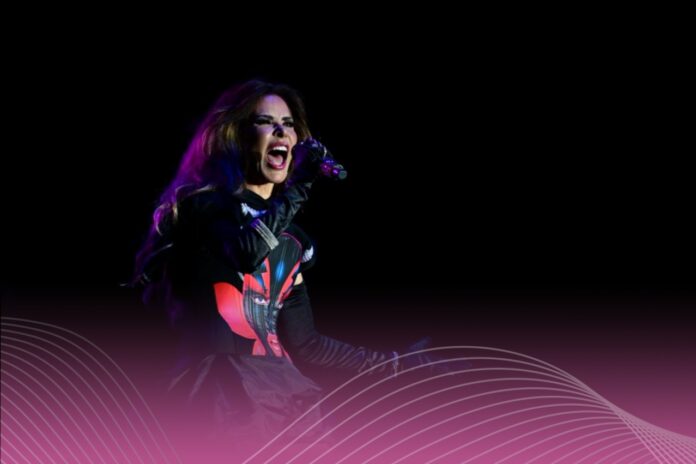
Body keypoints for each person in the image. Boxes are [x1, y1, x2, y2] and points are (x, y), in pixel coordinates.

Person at [132, 80, 402, 456]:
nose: (281, 132)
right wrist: (300, 185)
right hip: (221, 396)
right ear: (237, 136)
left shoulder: (293, 241)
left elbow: (306, 343)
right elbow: (247, 252)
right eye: (265, 122)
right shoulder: (202, 209)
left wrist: (394, 364)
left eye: (288, 124)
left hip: (284, 398)